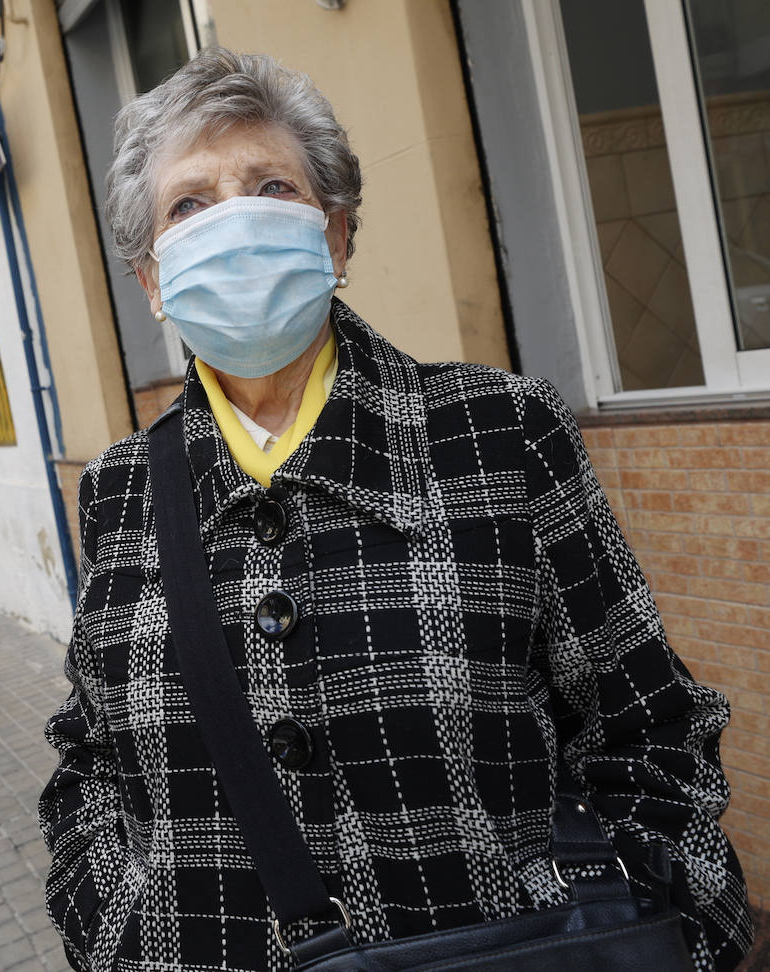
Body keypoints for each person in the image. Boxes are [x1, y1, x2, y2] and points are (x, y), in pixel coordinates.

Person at [37, 49, 751, 972]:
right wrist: (116, 935)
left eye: (271, 187)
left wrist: (658, 919)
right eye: (190, 205)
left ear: (335, 236)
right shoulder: (119, 490)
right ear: (151, 280)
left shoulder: (502, 431)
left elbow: (649, 722)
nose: (236, 222)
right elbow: (90, 760)